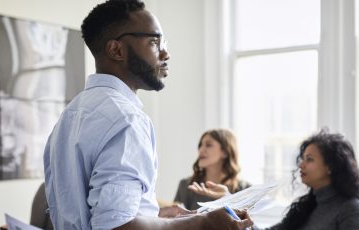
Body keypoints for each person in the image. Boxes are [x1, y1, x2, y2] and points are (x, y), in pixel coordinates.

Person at [43, 0, 253, 230]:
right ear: (116, 50)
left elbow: (95, 215)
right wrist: (204, 222)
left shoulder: (68, 116)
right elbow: (117, 227)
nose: (166, 53)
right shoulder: (126, 119)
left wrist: (156, 214)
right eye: (154, 41)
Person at [265, 129, 359, 230]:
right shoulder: (307, 206)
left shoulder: (351, 209)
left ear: (330, 166)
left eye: (309, 159)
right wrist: (249, 224)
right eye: (302, 159)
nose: (301, 165)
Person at [174, 129, 251, 210]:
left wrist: (228, 199)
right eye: (200, 145)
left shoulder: (246, 190)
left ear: (225, 152)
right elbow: (175, 219)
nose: (201, 150)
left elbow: (249, 221)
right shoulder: (186, 185)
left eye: (208, 145)